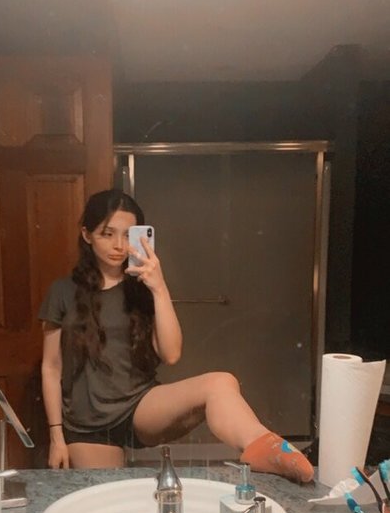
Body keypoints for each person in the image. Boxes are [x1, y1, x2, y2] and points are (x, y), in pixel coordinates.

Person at [39, 188, 314, 482]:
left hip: (139, 406)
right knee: (111, 495)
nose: (119, 245)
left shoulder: (142, 286)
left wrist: (159, 287)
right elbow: (51, 367)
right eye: (108, 234)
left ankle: (263, 448)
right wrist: (57, 437)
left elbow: (171, 354)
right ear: (87, 235)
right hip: (88, 424)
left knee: (221, 382)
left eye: (128, 235)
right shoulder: (62, 292)